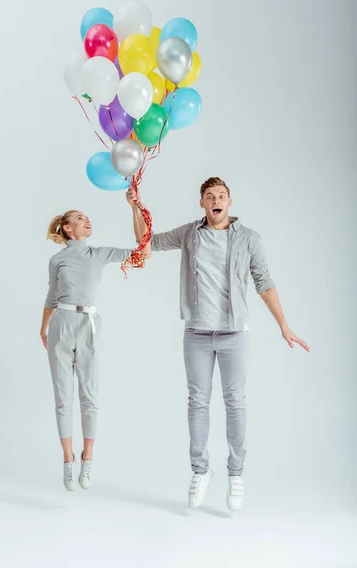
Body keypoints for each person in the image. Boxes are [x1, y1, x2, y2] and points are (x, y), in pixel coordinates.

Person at [126, 177, 309, 512]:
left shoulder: (249, 239)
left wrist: (284, 325)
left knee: (235, 402)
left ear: (230, 201)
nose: (215, 200)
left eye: (221, 195)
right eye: (209, 196)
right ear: (202, 203)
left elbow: (264, 282)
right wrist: (136, 207)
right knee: (197, 401)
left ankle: (235, 475)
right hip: (196, 332)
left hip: (234, 333)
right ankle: (200, 470)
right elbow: (145, 241)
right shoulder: (189, 234)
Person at [40, 207, 150, 492]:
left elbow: (141, 252)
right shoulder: (57, 260)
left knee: (89, 395)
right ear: (66, 228)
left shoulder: (99, 254)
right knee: (63, 398)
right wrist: (43, 327)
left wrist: (135, 207)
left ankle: (87, 459)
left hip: (89, 325)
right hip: (61, 324)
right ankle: (67, 460)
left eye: (86, 217)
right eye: (78, 218)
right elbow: (52, 296)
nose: (85, 220)